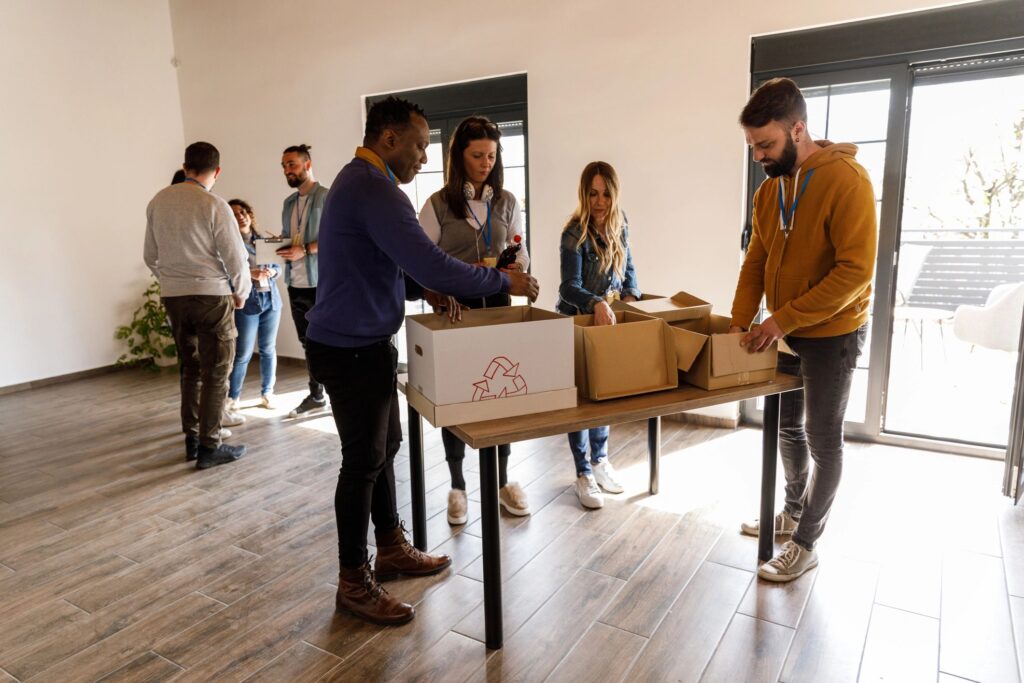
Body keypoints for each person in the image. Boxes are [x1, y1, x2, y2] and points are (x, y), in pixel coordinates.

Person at [305, 96, 539, 626]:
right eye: (417, 146)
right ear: (388, 140)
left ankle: (389, 546)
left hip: (362, 341)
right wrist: (503, 280)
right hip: (349, 346)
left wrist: (423, 289)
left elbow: (393, 263)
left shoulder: (364, 182)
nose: (423, 158)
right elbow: (430, 259)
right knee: (362, 461)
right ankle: (352, 580)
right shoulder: (374, 188)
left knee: (384, 448)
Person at [731, 77, 876, 582]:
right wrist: (738, 322)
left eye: (766, 145)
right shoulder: (770, 191)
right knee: (786, 428)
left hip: (832, 332)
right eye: (752, 147)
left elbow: (855, 272)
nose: (759, 157)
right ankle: (792, 512)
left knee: (822, 439)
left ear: (798, 129)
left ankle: (807, 542)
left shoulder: (848, 181)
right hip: (783, 329)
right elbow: (756, 260)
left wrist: (782, 319)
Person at [417, 116, 531, 525]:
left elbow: (520, 251)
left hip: (498, 307)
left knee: (502, 393)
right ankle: (457, 486)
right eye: (477, 155)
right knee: (457, 396)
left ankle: (501, 479)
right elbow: (420, 259)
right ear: (459, 157)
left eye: (492, 156)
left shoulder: (508, 202)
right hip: (455, 311)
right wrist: (437, 288)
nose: (486, 163)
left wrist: (518, 266)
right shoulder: (436, 204)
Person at [144, 142, 251, 470]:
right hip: (211, 296)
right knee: (217, 372)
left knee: (190, 369)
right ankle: (210, 446)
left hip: (174, 297)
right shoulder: (214, 204)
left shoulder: (158, 201)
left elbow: (150, 256)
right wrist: (241, 291)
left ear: (186, 165)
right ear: (216, 172)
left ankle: (191, 440)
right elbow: (235, 255)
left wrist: (173, 280)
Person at [556, 161, 639, 510]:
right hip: (575, 322)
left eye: (606, 193)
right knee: (580, 403)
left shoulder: (621, 227)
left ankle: (601, 460)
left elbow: (630, 270)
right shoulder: (573, 233)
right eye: (593, 193)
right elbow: (568, 287)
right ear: (584, 194)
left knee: (603, 394)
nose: (600, 200)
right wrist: (596, 303)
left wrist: (632, 297)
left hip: (606, 324)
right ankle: (582, 473)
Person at [278, 144, 330, 419]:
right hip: (294, 281)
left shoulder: (327, 197)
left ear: (307, 165)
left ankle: (336, 393)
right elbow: (289, 237)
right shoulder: (288, 203)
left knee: (326, 342)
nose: (287, 170)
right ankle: (316, 395)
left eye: (292, 164)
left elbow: (337, 236)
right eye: (284, 166)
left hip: (321, 283)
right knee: (306, 342)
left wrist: (306, 249)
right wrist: (279, 247)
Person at [225, 199, 282, 413]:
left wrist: (272, 272)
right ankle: (233, 397)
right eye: (235, 213)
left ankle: (268, 393)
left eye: (243, 211)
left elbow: (278, 267)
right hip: (247, 302)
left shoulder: (265, 241)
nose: (240, 215)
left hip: (272, 301)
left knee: (268, 349)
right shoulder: (230, 244)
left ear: (250, 214)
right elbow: (227, 273)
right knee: (243, 353)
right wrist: (251, 273)